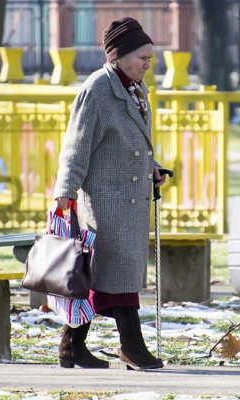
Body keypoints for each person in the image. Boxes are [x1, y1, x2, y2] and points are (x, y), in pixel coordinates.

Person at [53, 16, 167, 370]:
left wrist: (153, 167)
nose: (149, 65)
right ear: (118, 57)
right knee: (113, 273)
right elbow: (76, 146)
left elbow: (135, 141)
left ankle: (71, 346)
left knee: (101, 275)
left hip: (129, 197)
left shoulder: (136, 89)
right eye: (142, 58)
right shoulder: (98, 89)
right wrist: (65, 191)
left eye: (151, 58)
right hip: (104, 200)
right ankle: (132, 346)